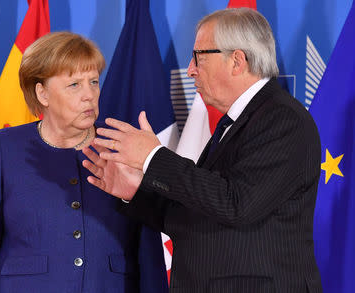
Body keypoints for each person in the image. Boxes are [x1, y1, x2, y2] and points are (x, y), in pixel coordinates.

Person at [82, 8, 323, 293]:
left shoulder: (282, 119)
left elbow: (237, 205)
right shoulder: (234, 123)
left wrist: (153, 156)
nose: (190, 69)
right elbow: (198, 214)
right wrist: (136, 192)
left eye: (199, 56)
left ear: (237, 60)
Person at [0, 32, 168, 293]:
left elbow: (148, 248)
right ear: (42, 93)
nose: (89, 95)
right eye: (74, 85)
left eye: (93, 82)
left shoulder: (124, 145)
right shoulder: (3, 147)